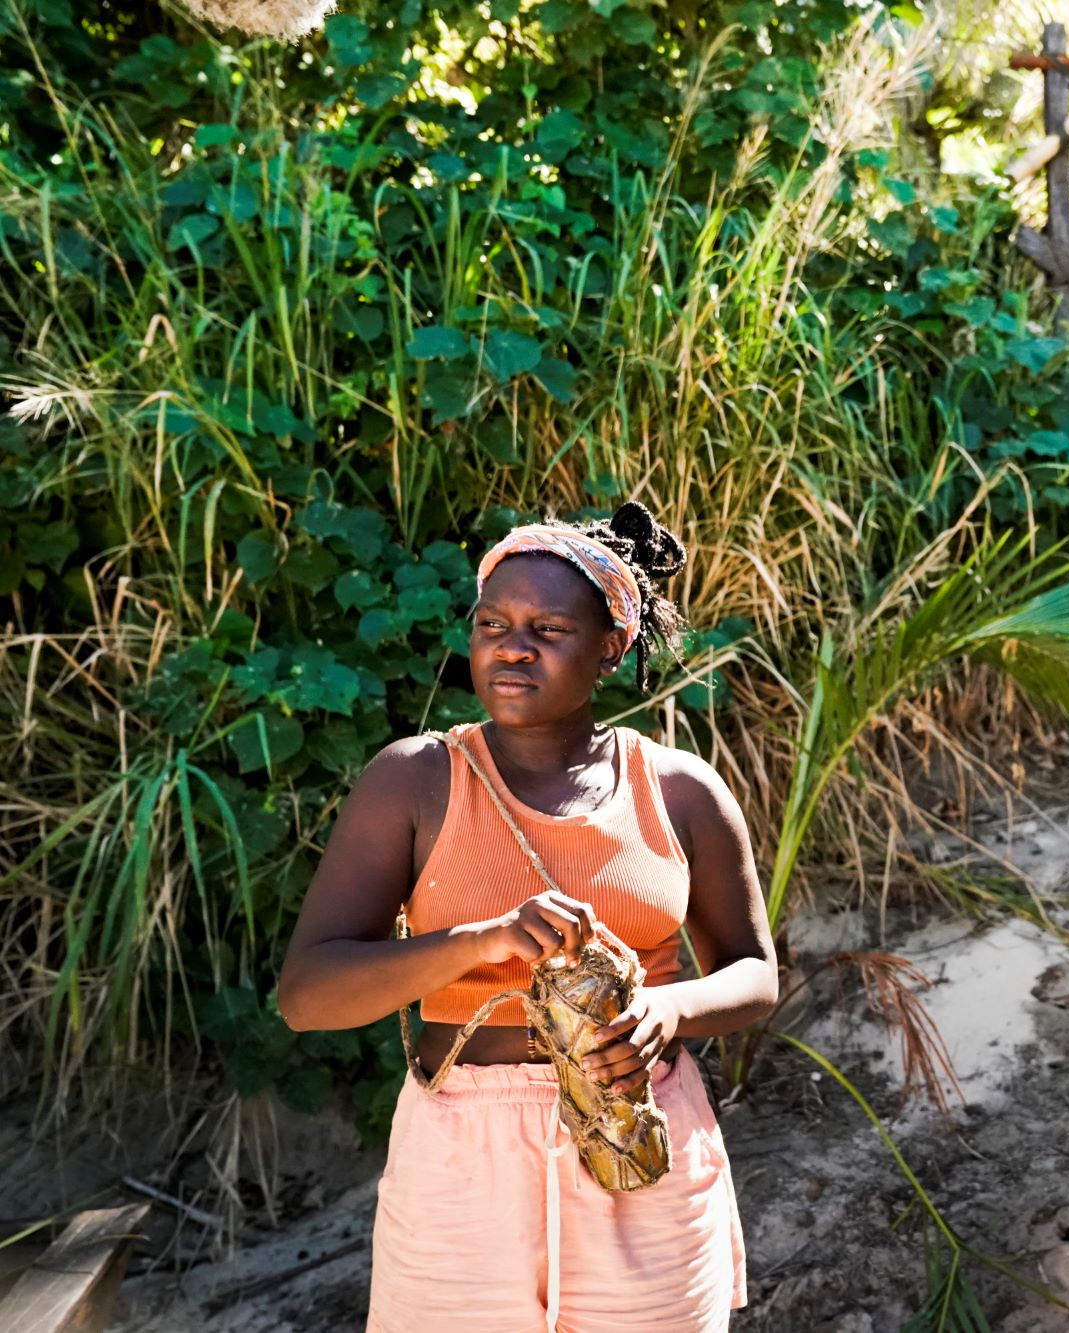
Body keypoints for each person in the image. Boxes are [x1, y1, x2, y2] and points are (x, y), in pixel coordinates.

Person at [277, 500, 778, 1333]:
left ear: (611, 647)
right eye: (493, 622)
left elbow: (756, 974)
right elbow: (308, 996)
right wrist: (484, 938)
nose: (513, 646)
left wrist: (669, 1009)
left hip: (638, 1137)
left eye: (549, 627)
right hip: (462, 1164)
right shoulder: (416, 781)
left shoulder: (682, 792)